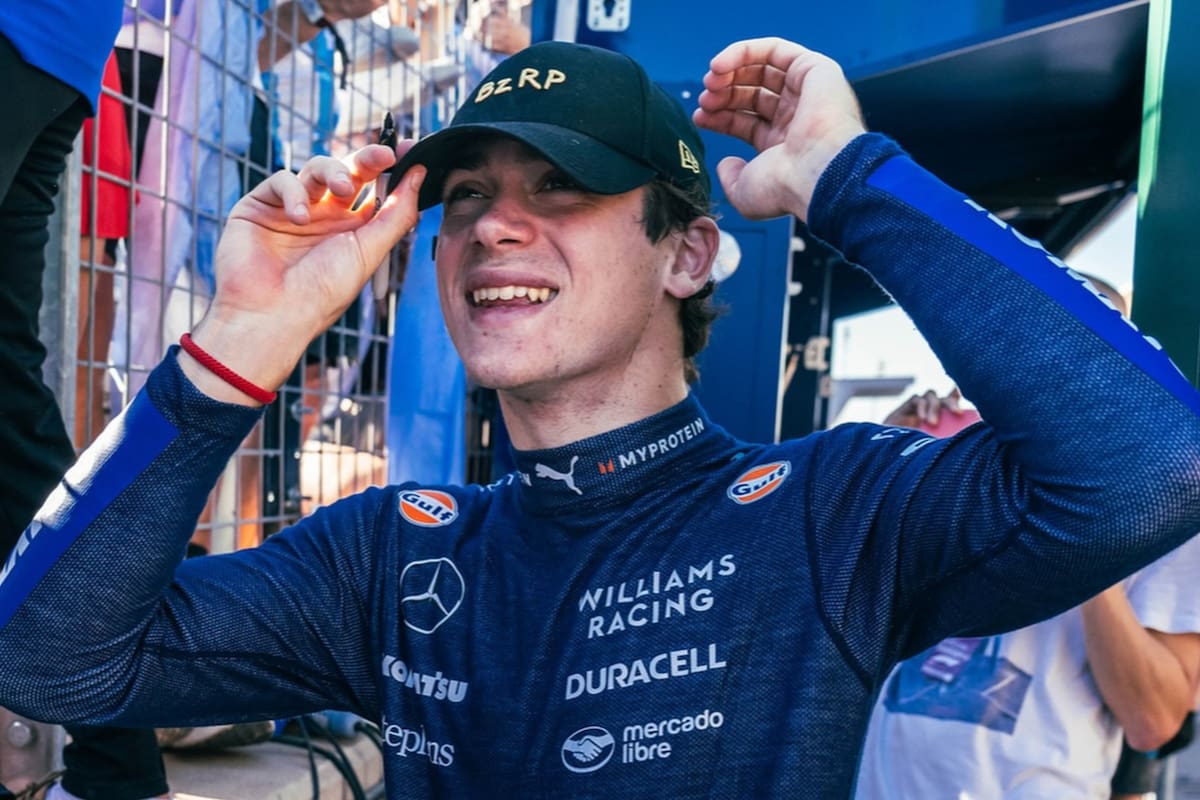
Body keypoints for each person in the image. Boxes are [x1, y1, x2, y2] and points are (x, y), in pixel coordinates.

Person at [0, 37, 1199, 800]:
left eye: (561, 186)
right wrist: (238, 343)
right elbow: (46, 655)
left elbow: (1153, 464)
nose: (492, 225)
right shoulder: (390, 552)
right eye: (466, 196)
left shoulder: (830, 510)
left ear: (687, 253)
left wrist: (849, 178)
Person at [854, 308, 1200, 800]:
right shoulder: (958, 477)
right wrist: (893, 455)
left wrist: (1085, 536)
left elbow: (1153, 722)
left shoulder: (1166, 512)